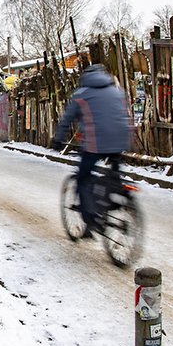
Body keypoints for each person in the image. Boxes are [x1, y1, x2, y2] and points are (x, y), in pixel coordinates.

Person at [52, 63, 132, 237]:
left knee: (83, 178)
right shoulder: (117, 91)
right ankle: (116, 196)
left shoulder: (82, 94)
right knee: (114, 177)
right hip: (121, 140)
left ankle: (90, 219)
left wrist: (59, 139)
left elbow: (67, 119)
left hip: (95, 143)